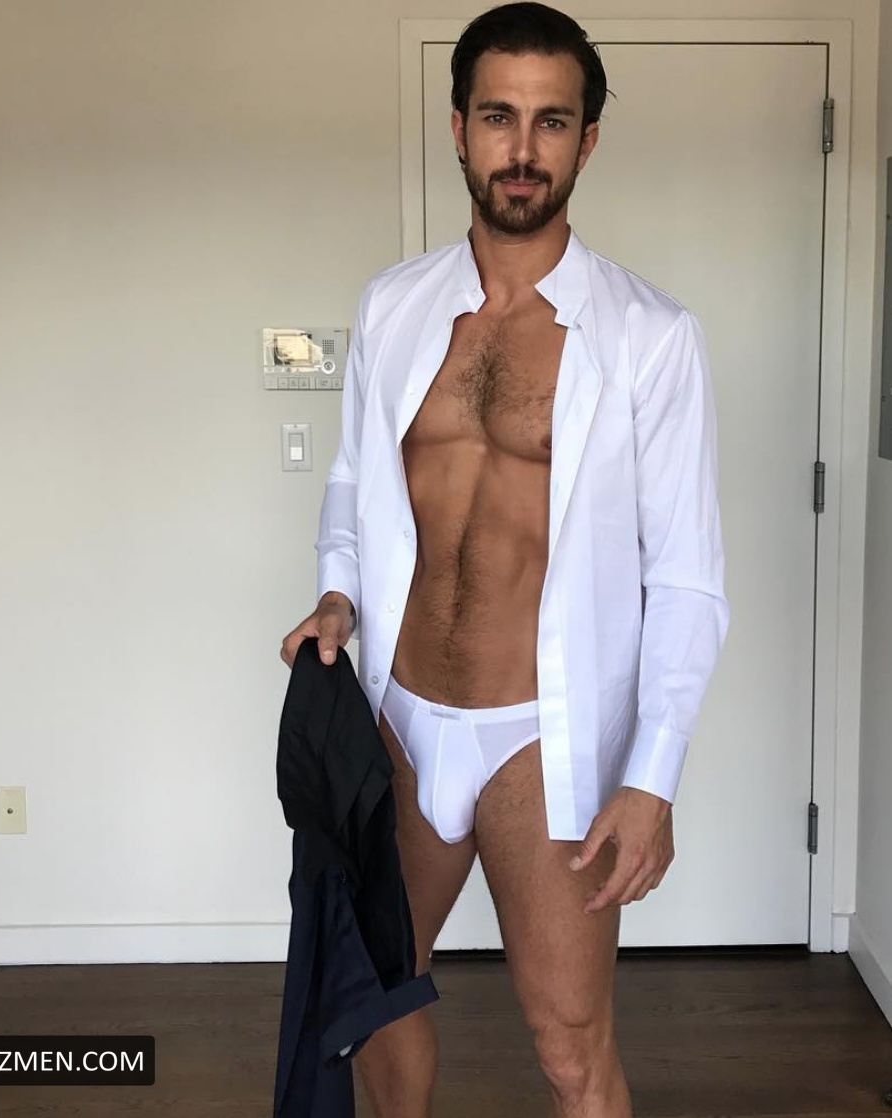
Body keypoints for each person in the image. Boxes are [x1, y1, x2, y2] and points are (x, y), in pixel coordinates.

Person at [280, 3, 730, 1116]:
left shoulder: (650, 337)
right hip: (399, 716)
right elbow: (353, 480)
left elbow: (686, 577)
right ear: (458, 128)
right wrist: (337, 593)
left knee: (570, 1043)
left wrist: (653, 775)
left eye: (550, 121)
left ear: (587, 139)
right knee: (377, 1001)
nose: (522, 149)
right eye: (498, 117)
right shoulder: (393, 307)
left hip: (543, 736)